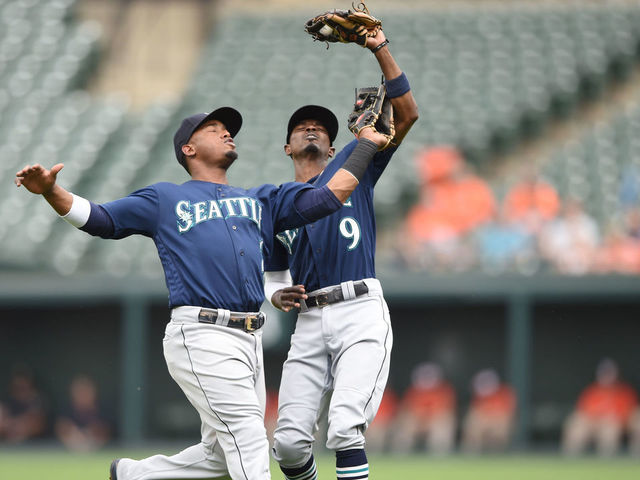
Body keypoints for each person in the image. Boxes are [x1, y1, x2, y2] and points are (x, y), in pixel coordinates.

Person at [15, 105, 389, 480]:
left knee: (219, 458)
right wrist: (52, 192)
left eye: (227, 129)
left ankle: (133, 475)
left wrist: (365, 147)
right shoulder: (165, 199)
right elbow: (102, 219)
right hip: (202, 333)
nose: (226, 133)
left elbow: (329, 197)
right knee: (249, 440)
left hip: (248, 339)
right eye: (213, 129)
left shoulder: (261, 200)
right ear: (188, 150)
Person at [263, 27, 418, 480]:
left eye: (322, 128)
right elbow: (273, 270)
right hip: (310, 319)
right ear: (287, 146)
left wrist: (379, 48)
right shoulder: (275, 200)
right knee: (289, 444)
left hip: (359, 311)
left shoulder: (355, 166)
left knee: (346, 426)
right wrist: (274, 295)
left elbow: (406, 114)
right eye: (300, 126)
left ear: (334, 146)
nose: (312, 128)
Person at [562, 358, 638, 456]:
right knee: (576, 426)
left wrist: (612, 419)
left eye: (610, 374)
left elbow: (630, 413)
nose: (607, 377)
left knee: (610, 429)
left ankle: (608, 463)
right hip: (595, 424)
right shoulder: (592, 392)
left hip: (616, 425)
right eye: (604, 374)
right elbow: (583, 413)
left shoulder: (624, 392)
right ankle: (569, 460)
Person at [390, 362, 456, 455]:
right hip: (417, 422)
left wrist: (427, 422)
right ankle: (399, 457)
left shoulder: (444, 391)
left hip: (434, 423)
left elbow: (445, 413)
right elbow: (406, 411)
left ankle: (439, 458)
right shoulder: (413, 391)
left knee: (441, 425)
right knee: (406, 424)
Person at [461, 369, 516, 453]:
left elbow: (507, 415)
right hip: (484, 422)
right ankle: (470, 454)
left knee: (499, 431)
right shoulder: (479, 397)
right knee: (473, 424)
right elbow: (476, 414)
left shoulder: (504, 393)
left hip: (498, 423)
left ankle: (498, 454)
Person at [54, 374, 112, 451]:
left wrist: (89, 436)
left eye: (86, 391)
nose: (83, 395)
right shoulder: (65, 411)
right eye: (79, 392)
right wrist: (75, 436)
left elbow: (104, 433)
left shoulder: (103, 412)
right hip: (69, 451)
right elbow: (62, 429)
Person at [0, 367, 48, 444]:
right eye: (17, 385)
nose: (20, 386)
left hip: (33, 444)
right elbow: (3, 423)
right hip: (8, 441)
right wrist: (12, 424)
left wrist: (20, 425)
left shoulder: (36, 400)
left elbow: (38, 424)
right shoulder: (8, 400)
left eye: (23, 385)